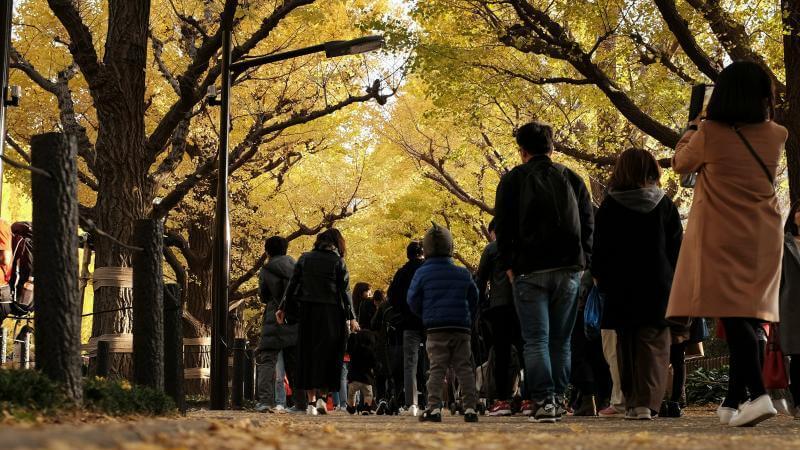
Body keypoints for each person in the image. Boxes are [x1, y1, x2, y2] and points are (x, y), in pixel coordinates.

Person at [666, 61, 788, 427]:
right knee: (747, 318)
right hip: (764, 234)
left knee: (731, 316)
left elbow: (679, 163)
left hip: (722, 234)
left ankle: (759, 394)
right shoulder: (777, 134)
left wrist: (692, 126)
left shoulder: (709, 133)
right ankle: (732, 402)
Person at [494, 121, 594, 423]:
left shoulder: (512, 181)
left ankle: (543, 400)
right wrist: (583, 259)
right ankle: (559, 398)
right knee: (560, 341)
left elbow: (504, 227)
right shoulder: (572, 179)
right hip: (568, 270)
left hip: (528, 272)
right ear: (552, 147)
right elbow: (589, 223)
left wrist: (510, 266)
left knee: (536, 339)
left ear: (522, 151)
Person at [592, 148, 684, 421]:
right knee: (654, 343)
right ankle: (646, 403)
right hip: (658, 284)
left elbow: (600, 249)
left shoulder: (609, 205)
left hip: (620, 284)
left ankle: (632, 401)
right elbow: (677, 249)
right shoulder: (665, 205)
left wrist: (600, 278)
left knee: (626, 343)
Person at [277, 228, 359, 416]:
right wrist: (352, 317)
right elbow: (344, 291)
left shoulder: (305, 258)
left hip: (308, 312)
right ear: (336, 243)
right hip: (332, 313)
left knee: (307, 354)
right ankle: (323, 397)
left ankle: (311, 402)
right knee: (329, 355)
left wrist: (283, 307)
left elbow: (292, 285)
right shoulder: (338, 261)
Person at [408, 223, 479, 423]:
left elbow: (412, 299)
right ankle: (471, 408)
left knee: (437, 368)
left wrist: (424, 313)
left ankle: (434, 408)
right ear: (450, 247)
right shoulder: (463, 273)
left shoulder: (422, 273)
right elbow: (475, 297)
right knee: (464, 367)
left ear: (427, 248)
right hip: (461, 328)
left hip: (435, 327)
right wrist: (468, 316)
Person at [476, 218, 525, 416]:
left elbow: (481, 279)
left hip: (499, 305)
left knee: (501, 353)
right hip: (523, 304)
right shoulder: (522, 245)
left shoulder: (491, 249)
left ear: (494, 231)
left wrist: (479, 303)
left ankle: (503, 399)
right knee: (526, 350)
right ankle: (529, 397)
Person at [255, 236, 300, 413]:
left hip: (274, 318)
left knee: (267, 360)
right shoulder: (297, 267)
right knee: (294, 362)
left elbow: (263, 296)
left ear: (268, 251)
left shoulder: (267, 269)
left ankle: (265, 401)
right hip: (293, 318)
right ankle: (301, 403)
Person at [388, 241, 426, 416]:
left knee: (409, 363)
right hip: (429, 319)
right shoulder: (427, 269)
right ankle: (435, 400)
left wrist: (401, 310)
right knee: (435, 359)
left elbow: (392, 296)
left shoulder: (401, 273)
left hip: (408, 321)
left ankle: (412, 403)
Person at [780, 201, 800, 418]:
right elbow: (778, 279)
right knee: (797, 357)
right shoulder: (784, 243)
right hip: (792, 305)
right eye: (799, 210)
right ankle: (798, 403)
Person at [346, 330, 379, 414]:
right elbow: (375, 364)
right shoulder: (370, 352)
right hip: (366, 379)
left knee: (351, 395)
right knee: (368, 395)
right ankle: (366, 408)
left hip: (353, 379)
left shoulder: (354, 350)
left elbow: (349, 346)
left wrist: (353, 334)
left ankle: (351, 407)